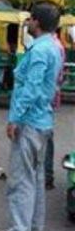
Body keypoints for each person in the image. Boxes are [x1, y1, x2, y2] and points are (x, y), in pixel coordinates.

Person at [0, 3, 63, 231]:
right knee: (36, 175)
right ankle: (34, 224)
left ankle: (20, 229)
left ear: (37, 22)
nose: (28, 23)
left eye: (30, 19)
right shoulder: (53, 46)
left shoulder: (40, 50)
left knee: (21, 177)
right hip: (43, 120)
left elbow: (31, 87)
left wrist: (15, 118)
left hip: (30, 121)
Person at [43, 30, 66, 190]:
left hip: (44, 101)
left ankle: (46, 175)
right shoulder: (53, 45)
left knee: (44, 137)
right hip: (48, 99)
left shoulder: (50, 47)